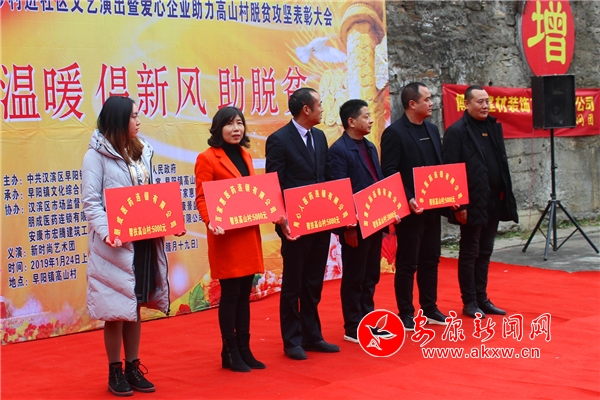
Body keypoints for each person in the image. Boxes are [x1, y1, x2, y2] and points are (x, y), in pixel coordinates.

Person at [82, 96, 177, 396]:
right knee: (115, 310)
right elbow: (91, 203)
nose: (138, 121)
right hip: (114, 246)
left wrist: (169, 221)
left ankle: (133, 366)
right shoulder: (95, 156)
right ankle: (115, 371)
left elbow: (149, 196)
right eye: (134, 116)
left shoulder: (141, 151)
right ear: (119, 120)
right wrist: (108, 232)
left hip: (143, 242)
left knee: (134, 306)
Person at [266, 87, 340, 360]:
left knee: (313, 282)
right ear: (306, 109)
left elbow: (326, 177)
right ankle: (292, 339)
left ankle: (312, 335)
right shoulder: (279, 139)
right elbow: (275, 183)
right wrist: (282, 219)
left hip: (321, 221)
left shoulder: (319, 136)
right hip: (294, 226)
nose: (323, 109)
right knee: (293, 284)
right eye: (319, 104)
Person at [194, 106, 266, 372]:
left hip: (247, 232)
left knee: (245, 293)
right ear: (218, 128)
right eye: (230, 124)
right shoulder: (207, 158)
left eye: (239, 123)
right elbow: (201, 196)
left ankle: (244, 349)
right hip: (225, 235)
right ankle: (231, 350)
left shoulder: (245, 154)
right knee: (231, 293)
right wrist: (209, 221)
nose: (236, 129)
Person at [326, 99, 400, 343]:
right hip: (355, 227)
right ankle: (352, 326)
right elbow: (339, 193)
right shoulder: (338, 151)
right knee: (354, 276)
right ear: (351, 121)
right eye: (366, 116)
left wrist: (389, 210)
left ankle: (368, 319)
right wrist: (346, 227)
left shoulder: (369, 146)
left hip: (375, 222)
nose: (370, 120)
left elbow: (378, 182)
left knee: (371, 275)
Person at [442, 85, 518, 318]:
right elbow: (451, 170)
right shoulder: (457, 132)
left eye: (487, 101)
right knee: (470, 251)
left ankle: (482, 298)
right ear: (466, 104)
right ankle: (470, 301)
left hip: (493, 199)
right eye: (480, 102)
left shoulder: (492, 127)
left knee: (485, 251)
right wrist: (459, 205)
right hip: (470, 202)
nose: (485, 106)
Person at [380, 82, 449, 331]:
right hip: (410, 210)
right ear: (412, 104)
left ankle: (430, 308)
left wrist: (448, 193)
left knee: (431, 259)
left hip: (433, 208)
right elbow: (389, 171)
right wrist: (407, 197)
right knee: (408, 262)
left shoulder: (432, 129)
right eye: (427, 99)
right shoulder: (395, 133)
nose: (432, 103)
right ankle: (406, 312)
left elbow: (438, 167)